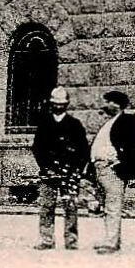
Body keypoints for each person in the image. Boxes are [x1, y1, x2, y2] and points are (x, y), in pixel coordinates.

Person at [31, 86, 89, 250]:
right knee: (46, 206)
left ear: (67, 104)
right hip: (48, 173)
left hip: (69, 173)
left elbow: (83, 149)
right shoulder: (44, 123)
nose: (58, 106)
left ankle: (71, 240)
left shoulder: (74, 124)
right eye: (55, 103)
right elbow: (37, 148)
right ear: (51, 103)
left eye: (61, 103)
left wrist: (77, 169)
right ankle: (46, 239)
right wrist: (45, 167)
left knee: (70, 206)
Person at [89, 89, 135, 254]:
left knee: (113, 206)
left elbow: (132, 146)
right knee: (107, 206)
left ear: (116, 104)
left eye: (107, 101)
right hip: (101, 169)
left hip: (113, 170)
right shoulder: (109, 122)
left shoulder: (127, 120)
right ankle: (111, 239)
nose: (104, 105)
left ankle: (111, 243)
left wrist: (124, 167)